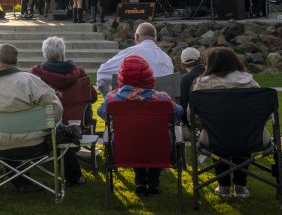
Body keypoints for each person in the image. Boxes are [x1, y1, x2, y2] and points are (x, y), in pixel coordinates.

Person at [0, 43, 80, 188]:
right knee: (60, 129)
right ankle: (73, 177)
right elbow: (56, 109)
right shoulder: (30, 81)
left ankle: (19, 181)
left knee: (6, 135)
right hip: (35, 144)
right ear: (16, 62)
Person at [99, 55, 182, 196]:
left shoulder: (112, 99)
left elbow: (102, 112)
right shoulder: (162, 98)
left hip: (124, 149)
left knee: (134, 134)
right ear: (148, 76)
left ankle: (140, 181)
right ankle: (153, 182)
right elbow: (178, 113)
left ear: (122, 76)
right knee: (152, 137)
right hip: (159, 149)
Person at [191, 47, 259, 198]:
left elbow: (192, 115)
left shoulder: (202, 84)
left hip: (215, 136)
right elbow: (263, 113)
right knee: (240, 132)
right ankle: (241, 185)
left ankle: (223, 186)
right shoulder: (249, 82)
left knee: (217, 134)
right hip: (248, 136)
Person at [30, 36, 96, 132]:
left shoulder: (36, 75)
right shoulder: (80, 74)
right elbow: (93, 97)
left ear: (45, 54)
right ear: (62, 54)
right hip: (79, 126)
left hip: (47, 128)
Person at [96, 21, 174, 92]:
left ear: (136, 36)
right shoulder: (167, 59)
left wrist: (109, 100)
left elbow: (102, 73)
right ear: (155, 38)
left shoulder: (129, 53)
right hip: (161, 106)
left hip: (129, 106)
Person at [177, 46, 204, 118]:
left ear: (183, 64)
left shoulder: (185, 79)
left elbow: (183, 104)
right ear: (200, 59)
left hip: (195, 121)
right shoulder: (211, 72)